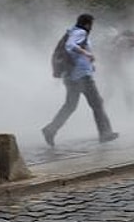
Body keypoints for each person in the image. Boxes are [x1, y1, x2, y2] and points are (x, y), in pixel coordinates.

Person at [42, 13, 118, 147]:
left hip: (71, 76)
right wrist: (87, 53)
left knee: (70, 106)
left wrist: (89, 63)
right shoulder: (81, 32)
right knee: (97, 104)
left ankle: (50, 130)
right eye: (91, 24)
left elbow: (72, 51)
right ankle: (105, 133)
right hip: (81, 77)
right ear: (88, 24)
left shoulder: (72, 31)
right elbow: (70, 46)